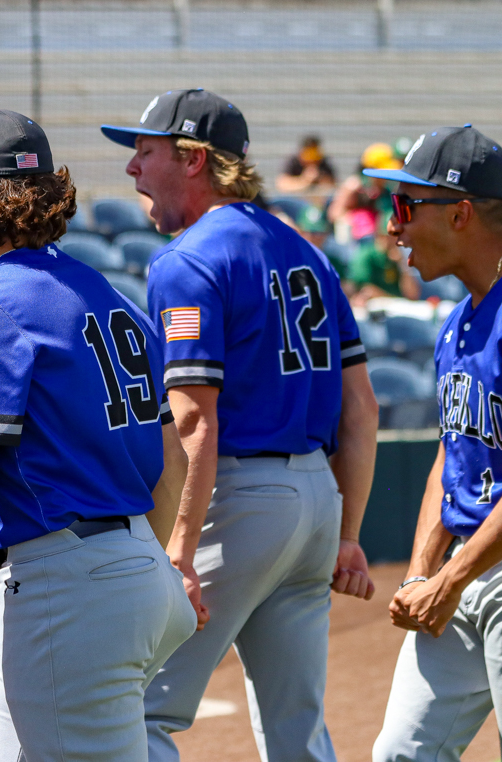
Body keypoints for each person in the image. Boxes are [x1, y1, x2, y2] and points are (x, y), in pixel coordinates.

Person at [0, 107, 196, 760]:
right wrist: (139, 565)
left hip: (68, 595)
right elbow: (171, 462)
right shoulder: (109, 295)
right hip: (133, 572)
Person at [101, 88, 380, 762]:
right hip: (316, 503)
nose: (132, 169)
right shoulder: (306, 249)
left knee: (134, 710)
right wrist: (346, 534)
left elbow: (196, 422)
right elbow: (362, 407)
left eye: (145, 150)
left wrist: (180, 550)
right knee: (297, 731)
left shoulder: (189, 259)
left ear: (193, 159)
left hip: (239, 499)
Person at [366, 125, 502, 762]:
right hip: (465, 566)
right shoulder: (460, 319)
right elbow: (450, 453)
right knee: (400, 754)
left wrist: (450, 576)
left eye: (405, 207)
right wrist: (424, 569)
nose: (393, 228)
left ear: (462, 212)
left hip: (484, 568)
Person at [330, 142, 401, 243]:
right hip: (356, 239)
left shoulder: (387, 189)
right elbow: (335, 213)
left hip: (381, 237)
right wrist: (354, 220)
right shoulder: (354, 185)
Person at [348, 214, 421, 305]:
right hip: (376, 309)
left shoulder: (398, 256)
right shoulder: (366, 255)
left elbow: (412, 295)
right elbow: (366, 290)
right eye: (391, 235)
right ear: (379, 235)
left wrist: (403, 266)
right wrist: (395, 301)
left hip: (398, 308)